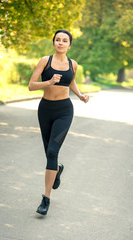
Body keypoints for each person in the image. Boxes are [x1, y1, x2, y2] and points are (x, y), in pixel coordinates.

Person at [28, 29, 89, 216]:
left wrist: (79, 95)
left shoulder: (73, 64)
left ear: (69, 45)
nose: (60, 43)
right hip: (45, 109)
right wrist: (48, 82)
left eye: (64, 41)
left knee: (53, 151)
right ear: (54, 42)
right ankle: (58, 169)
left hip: (64, 110)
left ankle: (45, 199)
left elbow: (71, 82)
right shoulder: (45, 61)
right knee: (49, 153)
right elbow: (31, 85)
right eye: (57, 40)